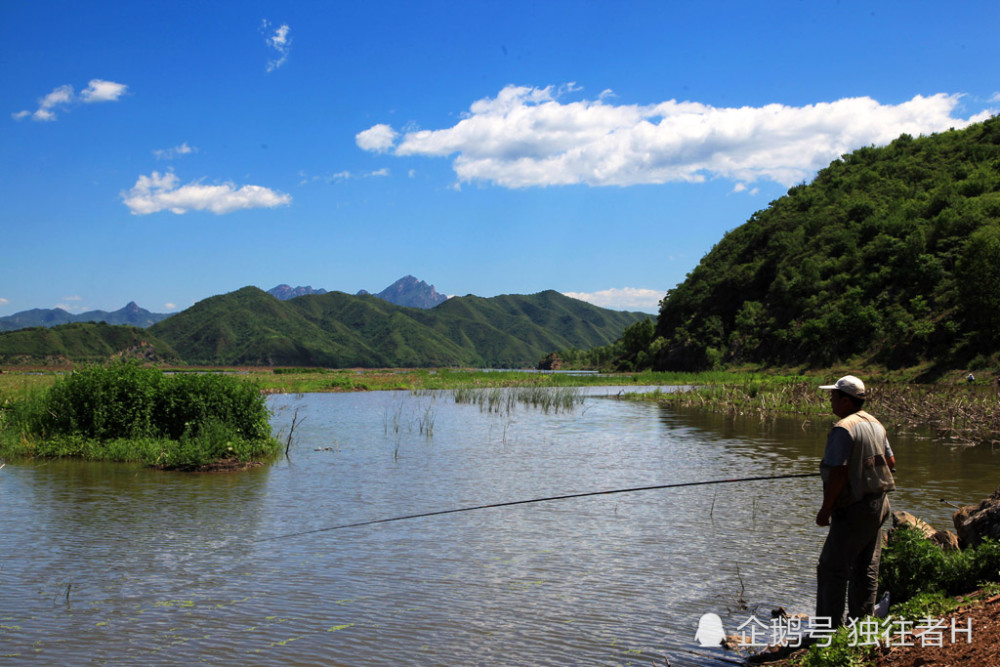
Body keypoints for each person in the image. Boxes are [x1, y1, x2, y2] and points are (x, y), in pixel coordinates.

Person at [815, 375, 896, 628]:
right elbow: (890, 463)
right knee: (866, 567)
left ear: (846, 400)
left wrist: (825, 509)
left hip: (854, 508)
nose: (831, 400)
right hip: (879, 505)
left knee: (832, 568)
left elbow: (838, 472)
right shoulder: (875, 423)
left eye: (834, 396)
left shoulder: (843, 428)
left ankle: (828, 631)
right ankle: (862, 623)